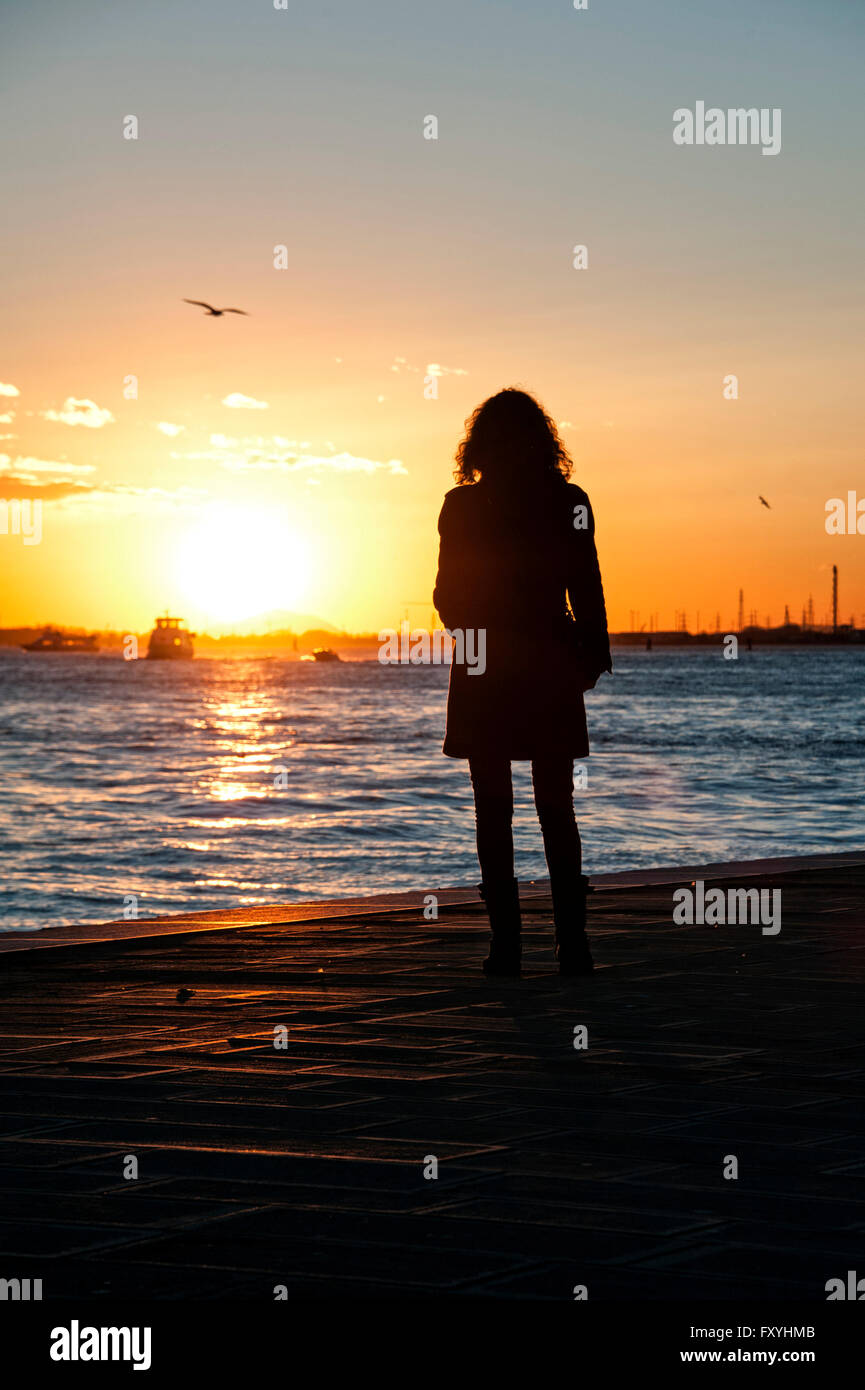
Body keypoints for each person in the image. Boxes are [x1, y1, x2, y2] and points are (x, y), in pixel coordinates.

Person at [433, 388, 611, 978]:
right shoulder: (570, 501)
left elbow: (446, 595)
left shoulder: (461, 507)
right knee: (555, 807)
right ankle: (574, 947)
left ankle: (506, 948)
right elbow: (586, 587)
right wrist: (589, 659)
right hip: (547, 662)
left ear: (478, 444)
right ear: (544, 440)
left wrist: (474, 640)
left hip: (488, 664)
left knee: (494, 809)